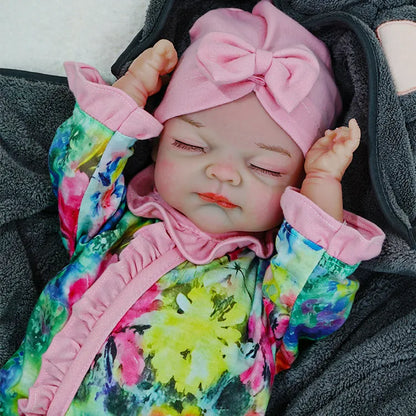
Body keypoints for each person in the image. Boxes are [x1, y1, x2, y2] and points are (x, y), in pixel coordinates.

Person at [0, 1, 385, 414]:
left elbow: (319, 302)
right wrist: (130, 91)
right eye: (190, 145)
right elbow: (80, 168)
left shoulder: (270, 290)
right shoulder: (111, 224)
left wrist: (323, 184)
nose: (221, 172)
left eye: (264, 167)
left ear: (295, 188)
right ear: (157, 140)